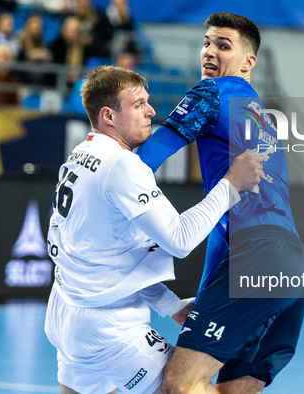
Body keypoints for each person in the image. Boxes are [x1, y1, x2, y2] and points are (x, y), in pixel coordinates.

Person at [44, 65, 264, 394]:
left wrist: (170, 305)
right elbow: (180, 239)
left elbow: (114, 256)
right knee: (185, 386)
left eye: (147, 102)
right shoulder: (121, 164)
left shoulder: (82, 153)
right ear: (108, 115)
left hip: (66, 312)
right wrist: (231, 185)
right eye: (137, 105)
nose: (150, 111)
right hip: (109, 327)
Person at [136, 12, 304, 394]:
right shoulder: (261, 117)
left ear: (249, 62)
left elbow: (139, 166)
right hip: (296, 266)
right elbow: (228, 223)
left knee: (181, 385)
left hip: (258, 255)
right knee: (233, 389)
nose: (209, 51)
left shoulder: (210, 94)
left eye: (223, 45)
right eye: (206, 42)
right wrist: (203, 300)